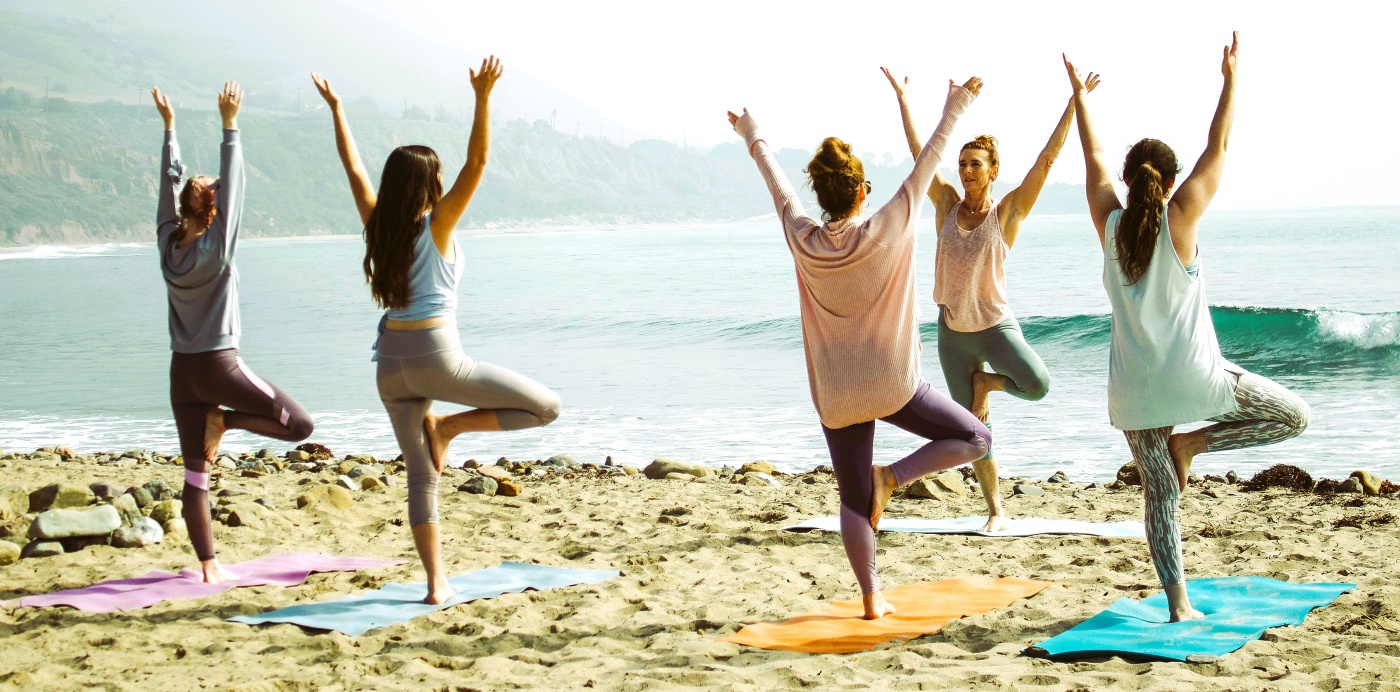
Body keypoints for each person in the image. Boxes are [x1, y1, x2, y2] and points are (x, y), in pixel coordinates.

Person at [727, 77, 991, 620]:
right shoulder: (888, 226)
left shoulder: (801, 235)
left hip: (837, 393)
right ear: (863, 191)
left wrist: (752, 133)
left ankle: (871, 601)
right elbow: (930, 160)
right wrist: (958, 103)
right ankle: (892, 477)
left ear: (821, 198)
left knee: (851, 500)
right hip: (893, 384)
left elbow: (777, 184)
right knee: (976, 437)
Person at [1066, 33, 1309, 621]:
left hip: (1135, 393)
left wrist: (1081, 99)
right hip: (1197, 381)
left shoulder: (1108, 223)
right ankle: (1195, 441)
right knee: (1293, 417)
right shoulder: (1183, 218)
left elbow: (1092, 162)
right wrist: (1229, 80)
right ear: (1170, 182)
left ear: (1128, 182)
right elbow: (1218, 144)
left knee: (1160, 498)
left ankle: (1179, 606)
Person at [312, 57, 561, 605]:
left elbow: (353, 170)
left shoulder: (378, 225)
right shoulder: (438, 223)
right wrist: (483, 96)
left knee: (420, 478)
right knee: (546, 408)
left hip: (388, 369)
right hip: (435, 356)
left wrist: (337, 110)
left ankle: (435, 584)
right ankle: (448, 427)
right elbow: (479, 162)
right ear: (430, 183)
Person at [881, 69, 1095, 533]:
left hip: (995, 327)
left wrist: (1074, 102)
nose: (967, 170)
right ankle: (996, 509)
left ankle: (989, 384)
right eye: (963, 164)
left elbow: (1047, 160)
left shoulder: (1008, 213)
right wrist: (904, 99)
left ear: (993, 170)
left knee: (1037, 383)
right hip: (952, 333)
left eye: (976, 163)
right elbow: (923, 154)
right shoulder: (944, 205)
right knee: (975, 435)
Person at [153, 82, 315, 583]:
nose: (215, 188)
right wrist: (230, 126)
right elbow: (235, 182)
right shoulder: (218, 247)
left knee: (195, 475)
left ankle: (208, 566)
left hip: (183, 374)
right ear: (212, 210)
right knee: (300, 426)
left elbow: (167, 185)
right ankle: (227, 423)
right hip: (221, 368)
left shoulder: (166, 242)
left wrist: (170, 131)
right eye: (211, 189)